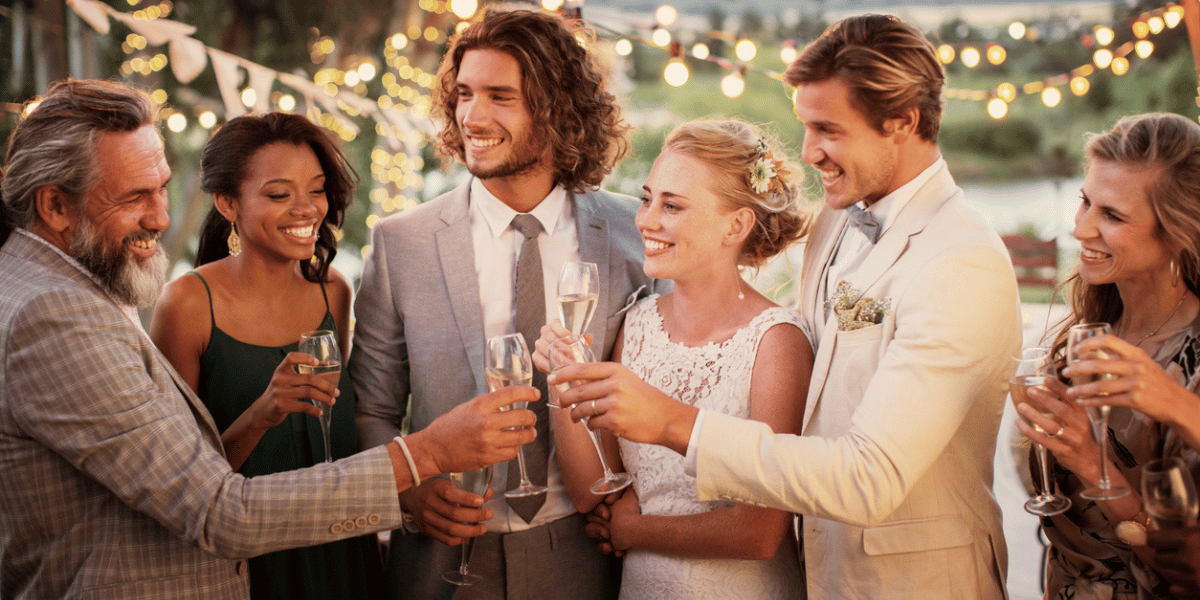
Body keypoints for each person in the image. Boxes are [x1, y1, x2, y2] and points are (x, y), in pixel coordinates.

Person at [0, 78, 536, 600]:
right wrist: (428, 451)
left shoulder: (64, 286)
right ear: (54, 207)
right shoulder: (54, 315)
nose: (162, 217)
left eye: (162, 188)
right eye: (136, 196)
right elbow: (218, 510)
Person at [551, 14, 1021, 599]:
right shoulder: (837, 222)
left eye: (828, 129)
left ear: (903, 121)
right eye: (805, 127)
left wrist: (673, 423)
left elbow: (870, 479)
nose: (809, 153)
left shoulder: (960, 260)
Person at [349, 8, 659, 600]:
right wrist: (410, 492)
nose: (472, 115)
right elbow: (369, 409)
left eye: (499, 96)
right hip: (442, 558)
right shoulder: (401, 242)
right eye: (463, 93)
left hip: (586, 551)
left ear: (557, 109)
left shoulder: (632, 236)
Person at [536, 118, 811, 599]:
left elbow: (760, 534)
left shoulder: (777, 342)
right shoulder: (637, 324)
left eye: (672, 206)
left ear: (736, 225)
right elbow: (594, 490)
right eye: (646, 199)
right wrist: (565, 381)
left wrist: (633, 533)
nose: (645, 221)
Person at [149, 113, 383, 599]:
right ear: (228, 202)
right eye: (279, 195)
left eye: (316, 190)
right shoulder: (187, 305)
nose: (306, 210)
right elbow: (177, 484)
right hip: (248, 568)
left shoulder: (333, 292)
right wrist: (263, 412)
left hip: (340, 548)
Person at [1015, 112, 1200, 598]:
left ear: (1177, 232)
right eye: (1085, 202)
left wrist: (1093, 465)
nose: (1081, 230)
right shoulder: (1087, 330)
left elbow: (1186, 567)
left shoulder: (1193, 361)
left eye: (1112, 216)